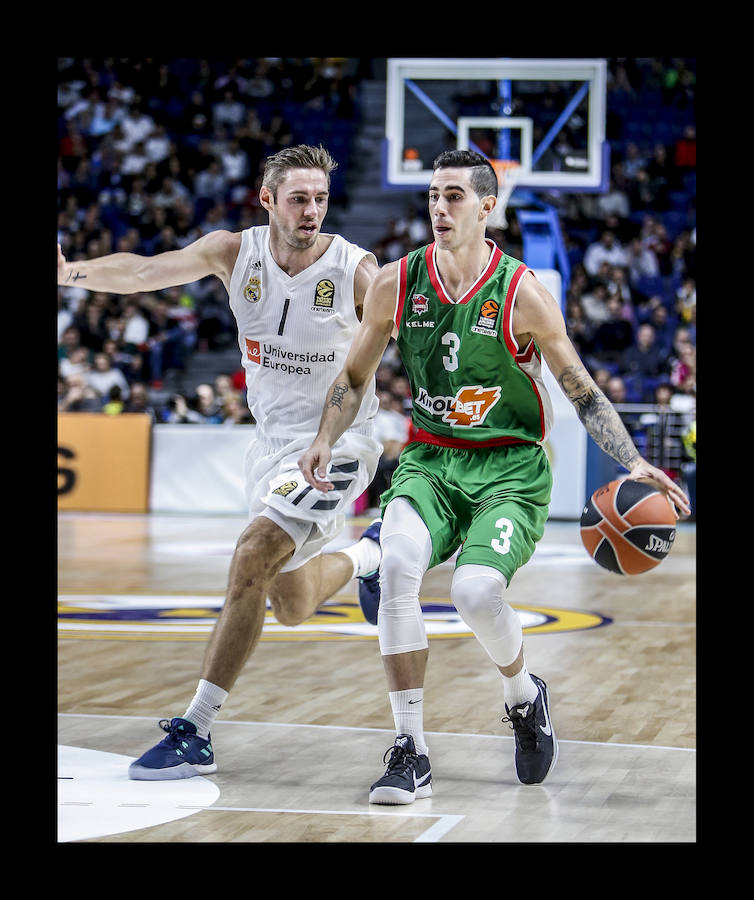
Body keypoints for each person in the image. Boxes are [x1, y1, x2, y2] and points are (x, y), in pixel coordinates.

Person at [298, 149, 690, 805]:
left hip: (509, 466)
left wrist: (634, 461)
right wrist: (323, 436)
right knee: (397, 568)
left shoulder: (522, 293)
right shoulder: (397, 283)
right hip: (430, 459)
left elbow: (584, 393)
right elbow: (355, 376)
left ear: (487, 207)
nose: (439, 208)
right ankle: (409, 749)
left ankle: (521, 694)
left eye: (454, 196)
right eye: (433, 195)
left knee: (477, 594)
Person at [57, 144, 385, 780]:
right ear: (267, 200)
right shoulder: (235, 252)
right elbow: (144, 271)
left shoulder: (355, 269)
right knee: (287, 601)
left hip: (339, 442)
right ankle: (368, 558)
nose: (313, 209)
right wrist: (68, 273)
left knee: (252, 552)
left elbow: (417, 330)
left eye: (320, 198)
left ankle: (196, 729)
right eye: (299, 198)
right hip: (270, 446)